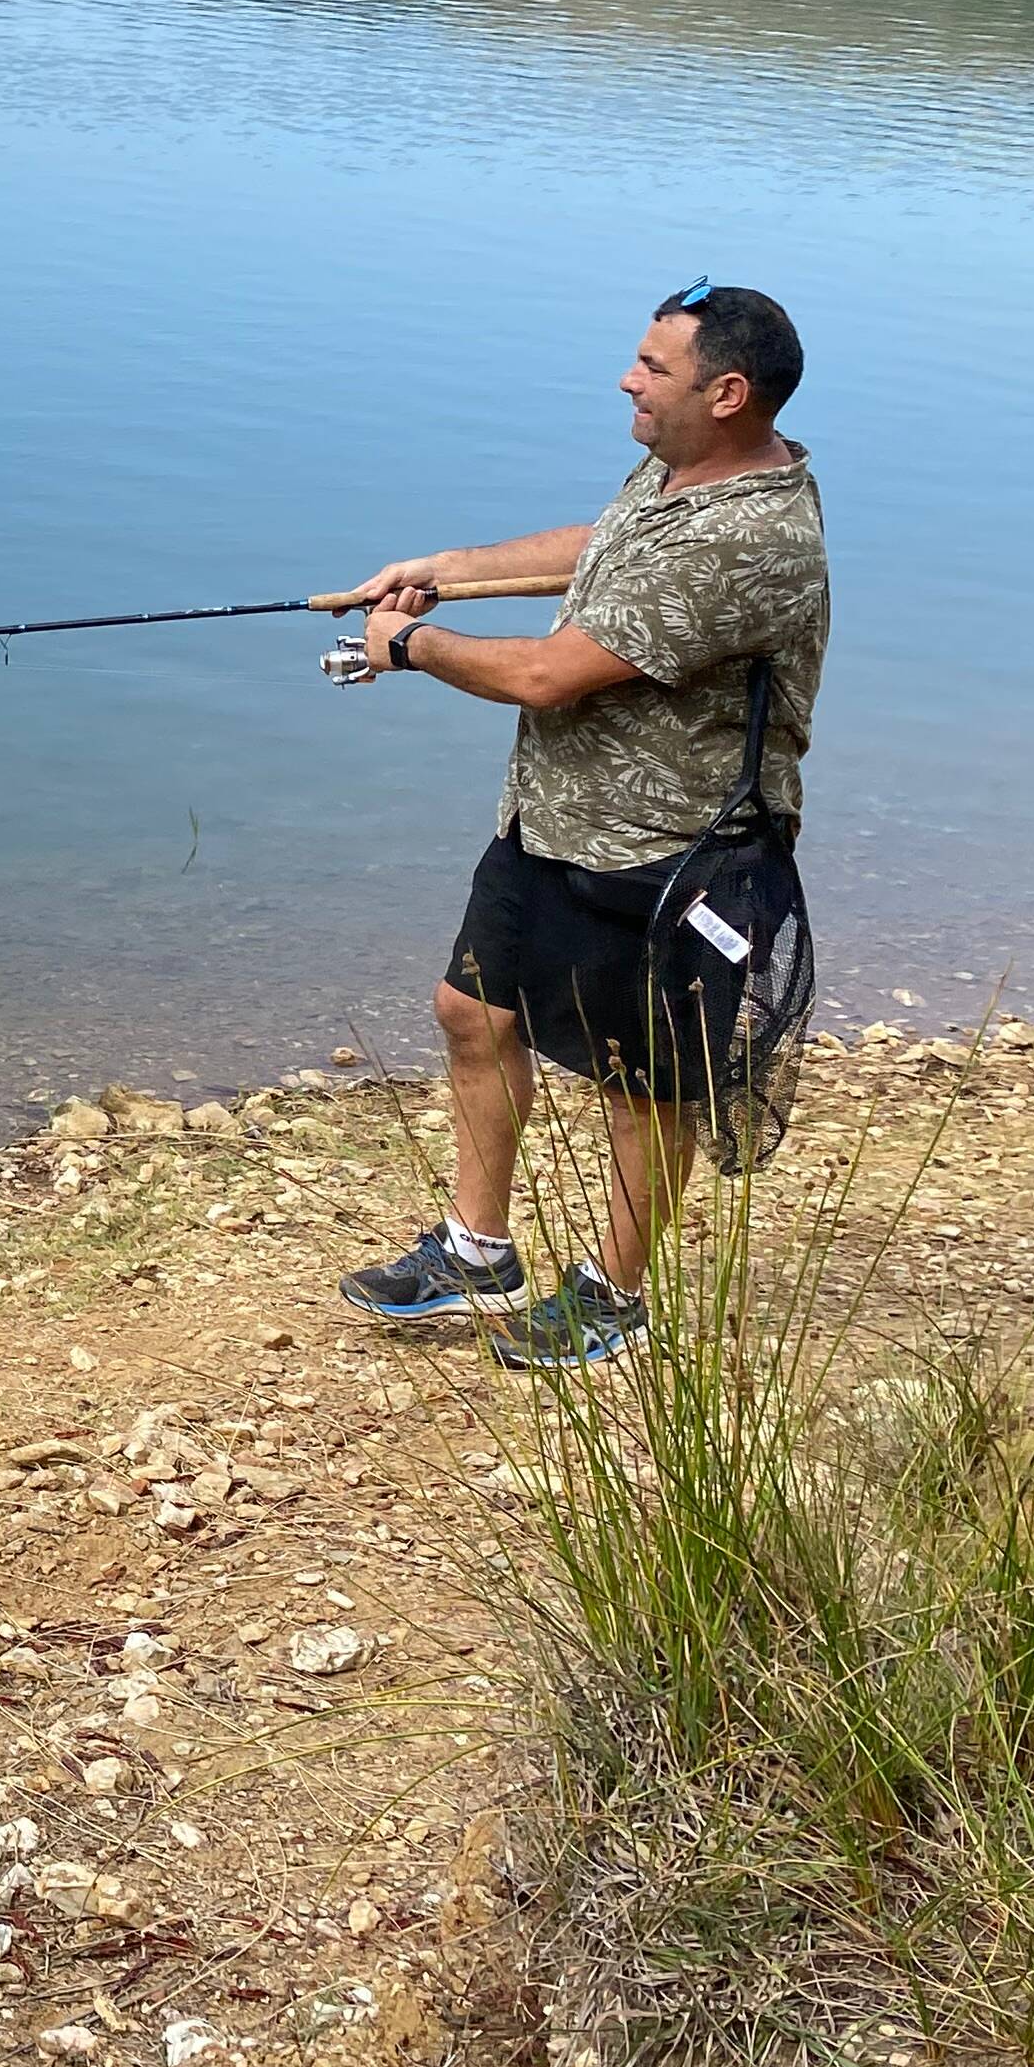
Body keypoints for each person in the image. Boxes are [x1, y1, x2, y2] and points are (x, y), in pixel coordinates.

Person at [331, 284, 829, 1369]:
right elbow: (607, 548)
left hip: (669, 851)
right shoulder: (684, 467)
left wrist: (411, 647)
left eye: (654, 367)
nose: (628, 380)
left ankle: (612, 1297)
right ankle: (475, 1254)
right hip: (552, 820)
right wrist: (439, 572)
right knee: (471, 1010)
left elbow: (554, 674)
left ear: (729, 393)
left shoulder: (752, 538)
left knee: (643, 1082)